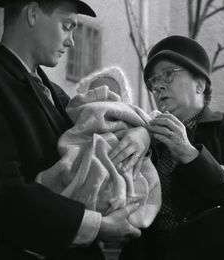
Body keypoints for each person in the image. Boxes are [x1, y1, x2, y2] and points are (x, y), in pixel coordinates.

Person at [0, 0, 150, 260]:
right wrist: (97, 225)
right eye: (67, 26)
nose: (72, 41)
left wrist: (141, 135)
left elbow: (101, 130)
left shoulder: (59, 95)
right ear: (33, 13)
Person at [119, 35, 224, 260]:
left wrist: (189, 153)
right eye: (153, 82)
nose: (158, 86)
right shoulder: (146, 137)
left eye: (168, 74)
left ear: (200, 84)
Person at [36, 66, 161, 229]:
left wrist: (144, 132)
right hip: (83, 161)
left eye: (109, 92)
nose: (103, 97)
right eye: (95, 93)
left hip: (123, 160)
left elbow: (150, 123)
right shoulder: (70, 109)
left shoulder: (131, 120)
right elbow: (76, 135)